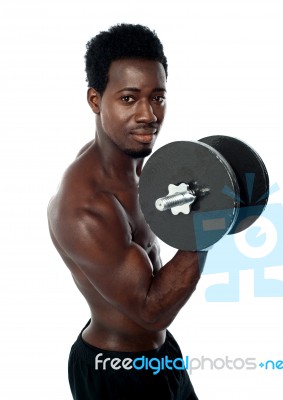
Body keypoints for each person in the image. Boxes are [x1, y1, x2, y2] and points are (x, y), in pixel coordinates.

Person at [48, 23, 207, 400]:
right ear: (95, 99)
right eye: (129, 98)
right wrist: (206, 226)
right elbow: (151, 311)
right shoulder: (86, 206)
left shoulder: (136, 165)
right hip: (115, 374)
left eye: (158, 97)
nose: (148, 114)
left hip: (161, 354)